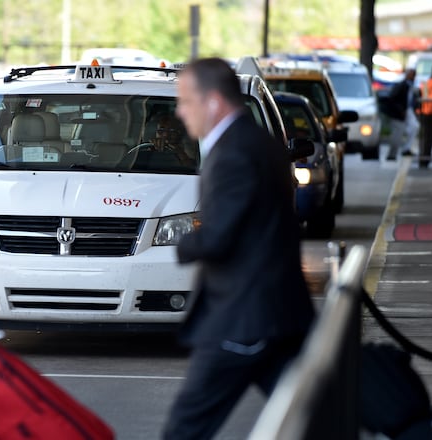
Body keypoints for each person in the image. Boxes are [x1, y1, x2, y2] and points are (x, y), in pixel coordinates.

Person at [162, 57, 315, 440]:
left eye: (185, 102)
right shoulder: (255, 140)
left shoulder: (232, 153)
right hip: (271, 314)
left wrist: (181, 241)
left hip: (243, 320)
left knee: (185, 426)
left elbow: (218, 236)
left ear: (212, 102)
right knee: (311, 413)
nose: (180, 113)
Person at [384, 68, 419, 160]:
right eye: (412, 75)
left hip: (407, 110)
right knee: (397, 134)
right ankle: (392, 154)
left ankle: (406, 148)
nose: (414, 77)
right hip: (399, 113)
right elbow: (393, 99)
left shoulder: (410, 86)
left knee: (414, 126)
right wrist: (400, 110)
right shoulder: (402, 85)